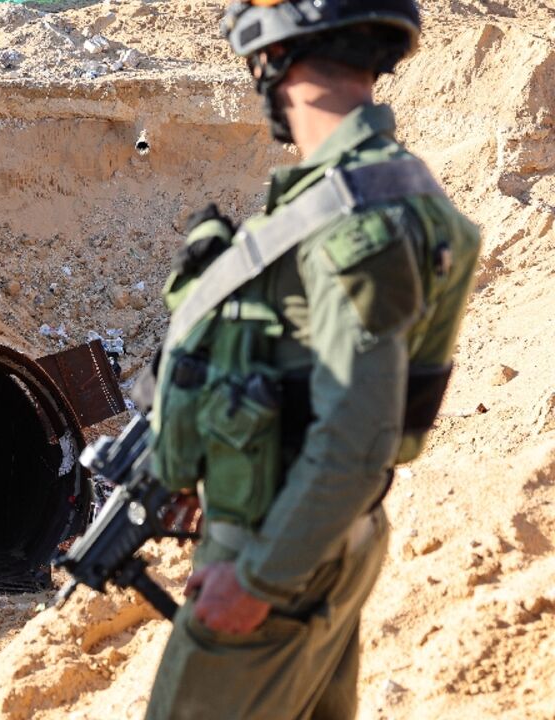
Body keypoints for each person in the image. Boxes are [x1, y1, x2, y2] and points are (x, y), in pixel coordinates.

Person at [143, 1, 480, 717]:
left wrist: (260, 579)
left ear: (272, 55)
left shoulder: (355, 219)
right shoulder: (376, 193)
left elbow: (357, 437)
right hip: (321, 537)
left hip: (278, 548)